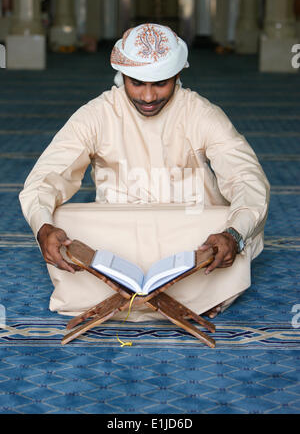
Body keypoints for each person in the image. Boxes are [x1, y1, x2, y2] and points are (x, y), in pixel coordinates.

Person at [19, 23, 270, 319]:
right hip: (119, 236)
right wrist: (44, 228)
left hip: (190, 235)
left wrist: (234, 234)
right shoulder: (97, 114)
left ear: (177, 75)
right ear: (122, 75)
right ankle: (195, 297)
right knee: (54, 218)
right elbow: (45, 179)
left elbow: (247, 178)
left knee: (239, 225)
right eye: (137, 83)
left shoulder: (200, 113)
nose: (148, 97)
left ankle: (146, 295)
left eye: (160, 84)